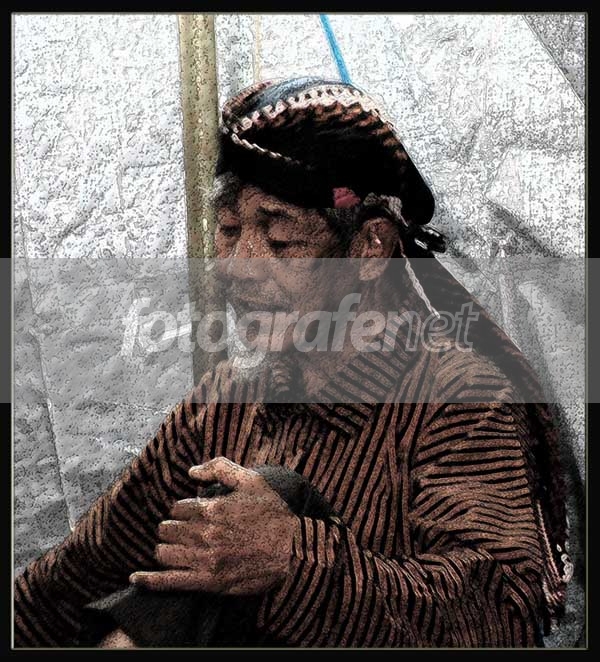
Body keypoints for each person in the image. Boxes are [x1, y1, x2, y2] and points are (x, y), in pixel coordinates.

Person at [14, 77, 572, 648]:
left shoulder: (459, 398)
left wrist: (292, 560)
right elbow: (75, 576)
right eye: (228, 232)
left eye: (280, 243)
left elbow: (501, 616)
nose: (239, 268)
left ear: (370, 249)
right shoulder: (226, 402)